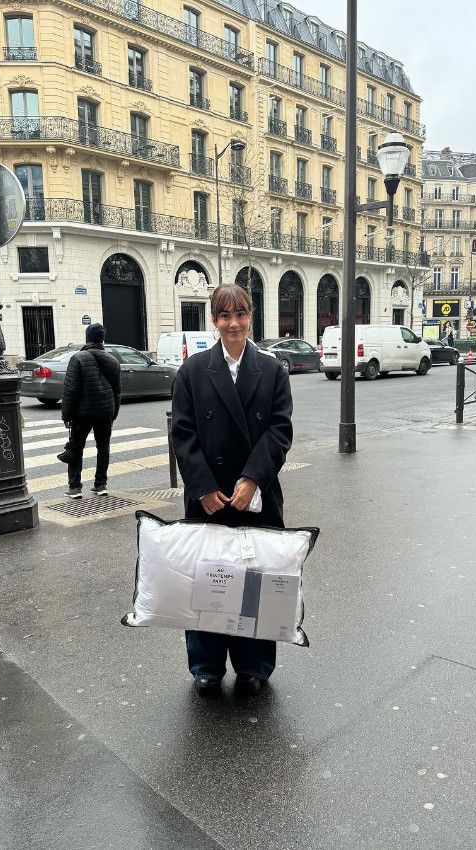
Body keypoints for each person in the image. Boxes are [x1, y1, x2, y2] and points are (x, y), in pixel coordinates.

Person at [171, 284, 293, 698]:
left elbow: (280, 431)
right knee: (208, 582)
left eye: (240, 315)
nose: (233, 324)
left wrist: (252, 478)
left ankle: (254, 665)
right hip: (209, 497)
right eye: (224, 316)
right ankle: (205, 665)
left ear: (250, 316)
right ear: (214, 320)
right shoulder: (193, 370)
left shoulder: (273, 369)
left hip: (255, 494)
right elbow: (182, 433)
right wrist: (203, 487)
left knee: (254, 580)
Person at [61, 323, 121, 499]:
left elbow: (71, 389)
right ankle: (100, 485)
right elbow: (117, 391)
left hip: (82, 413)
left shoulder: (78, 358)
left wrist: (67, 415)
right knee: (103, 448)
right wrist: (114, 413)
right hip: (105, 412)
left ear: (87, 337)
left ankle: (75, 487)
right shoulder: (113, 361)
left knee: (76, 448)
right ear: (102, 338)